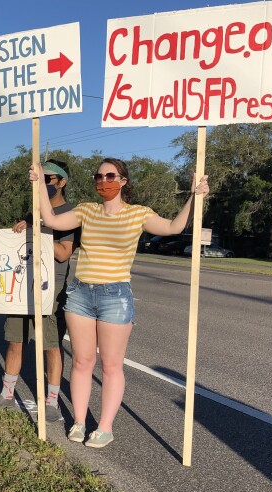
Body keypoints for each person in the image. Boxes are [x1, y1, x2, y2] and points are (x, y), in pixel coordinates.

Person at [31, 158, 209, 448]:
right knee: (82, 362)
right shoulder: (86, 211)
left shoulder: (139, 214)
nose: (103, 181)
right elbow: (50, 219)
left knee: (111, 365)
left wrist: (194, 197)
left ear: (123, 180)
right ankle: (78, 421)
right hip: (81, 294)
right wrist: (39, 181)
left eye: (110, 175)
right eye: (98, 176)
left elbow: (174, 227)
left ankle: (104, 427)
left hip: (115, 296)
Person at [0, 159, 79, 423]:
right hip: (22, 283)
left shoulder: (70, 214)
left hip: (51, 287)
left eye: (47, 179)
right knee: (15, 340)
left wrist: (36, 231)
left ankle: (52, 402)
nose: (42, 183)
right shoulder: (32, 211)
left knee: (51, 345)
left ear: (62, 182)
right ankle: (6, 394)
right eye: (38, 178)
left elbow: (63, 254)